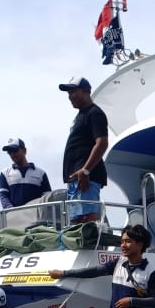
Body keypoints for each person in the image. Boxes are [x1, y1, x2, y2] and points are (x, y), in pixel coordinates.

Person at [58, 76, 109, 233]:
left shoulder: (94, 113)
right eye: (69, 93)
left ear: (86, 91)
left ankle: (91, 245)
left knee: (87, 221)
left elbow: (102, 143)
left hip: (86, 178)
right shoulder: (81, 115)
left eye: (73, 91)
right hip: (76, 180)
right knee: (76, 224)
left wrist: (85, 170)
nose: (70, 96)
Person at [0, 137, 52, 216]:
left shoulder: (41, 173)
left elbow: (47, 197)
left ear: (24, 151)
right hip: (14, 218)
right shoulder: (4, 173)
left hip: (36, 217)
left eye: (15, 150)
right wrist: (12, 213)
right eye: (9, 152)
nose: (12, 154)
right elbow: (4, 197)